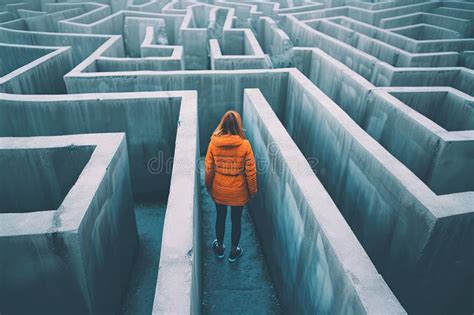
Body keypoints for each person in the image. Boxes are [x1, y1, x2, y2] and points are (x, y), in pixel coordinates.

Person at [205, 110, 257, 263]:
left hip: (219, 189)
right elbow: (251, 172)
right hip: (238, 192)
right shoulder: (245, 145)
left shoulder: (213, 143)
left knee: (220, 217)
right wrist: (252, 191)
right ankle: (234, 252)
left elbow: (209, 168)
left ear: (222, 125)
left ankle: (220, 248)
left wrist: (208, 186)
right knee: (236, 220)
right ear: (238, 126)